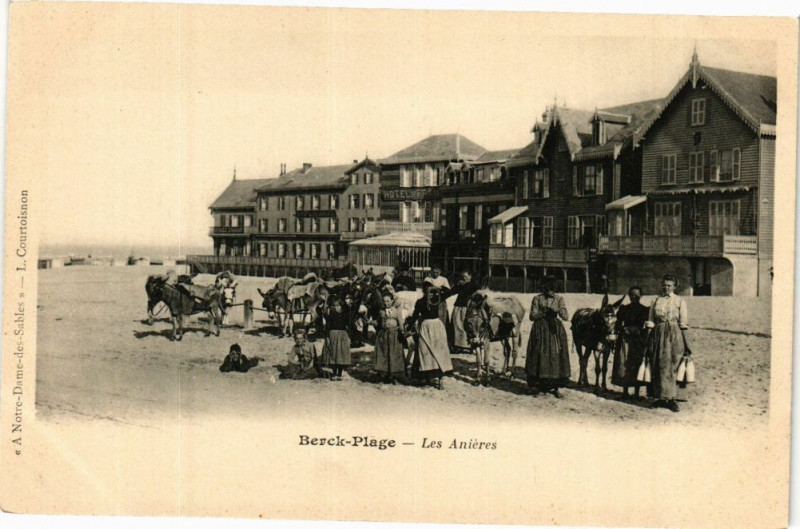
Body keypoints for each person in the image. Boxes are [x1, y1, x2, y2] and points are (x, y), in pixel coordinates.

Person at [645, 274, 690, 412]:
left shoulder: (679, 301)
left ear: (674, 287)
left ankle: (671, 399)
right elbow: (651, 320)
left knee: (673, 363)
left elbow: (683, 322)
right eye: (664, 285)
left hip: (674, 334)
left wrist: (686, 343)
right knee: (657, 363)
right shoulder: (656, 300)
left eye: (669, 285)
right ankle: (659, 397)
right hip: (658, 333)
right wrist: (649, 337)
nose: (666, 287)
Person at [525, 276, 570, 398]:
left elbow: (566, 316)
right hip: (540, 330)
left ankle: (555, 387)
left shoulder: (559, 299)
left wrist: (558, 310)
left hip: (554, 330)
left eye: (552, 289)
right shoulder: (537, 298)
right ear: (544, 288)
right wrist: (542, 312)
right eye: (548, 289)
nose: (550, 291)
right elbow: (532, 316)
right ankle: (539, 387)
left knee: (556, 356)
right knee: (539, 355)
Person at [406, 279, 453, 389]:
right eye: (427, 290)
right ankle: (426, 377)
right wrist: (408, 328)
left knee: (439, 352)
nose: (429, 293)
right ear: (423, 291)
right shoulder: (420, 302)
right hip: (425, 327)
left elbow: (449, 292)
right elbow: (415, 316)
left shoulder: (437, 299)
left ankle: (440, 378)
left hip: (436, 327)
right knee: (425, 352)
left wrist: (441, 288)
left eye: (431, 290)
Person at [612, 286, 650, 399]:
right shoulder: (624, 309)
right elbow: (617, 323)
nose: (634, 297)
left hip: (638, 341)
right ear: (629, 296)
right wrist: (621, 329)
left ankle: (637, 393)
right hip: (625, 341)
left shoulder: (644, 310)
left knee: (637, 364)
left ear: (641, 296)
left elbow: (645, 326)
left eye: (637, 295)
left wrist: (635, 330)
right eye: (632, 295)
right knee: (624, 364)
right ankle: (625, 392)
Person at [373, 290, 406, 384]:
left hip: (394, 335)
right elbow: (378, 323)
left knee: (393, 354)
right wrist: (372, 322)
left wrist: (402, 332)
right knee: (384, 354)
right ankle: (385, 374)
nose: (386, 303)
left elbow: (401, 323)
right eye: (384, 301)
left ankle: (394, 375)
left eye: (388, 301)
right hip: (384, 335)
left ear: (392, 301)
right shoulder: (381, 312)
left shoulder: (396, 311)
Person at [446, 269, 480, 354]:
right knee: (456, 325)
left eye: (465, 276)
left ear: (470, 276)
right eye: (463, 277)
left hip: (467, 308)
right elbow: (451, 292)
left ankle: (467, 346)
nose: (464, 278)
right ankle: (458, 346)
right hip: (458, 306)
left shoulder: (474, 286)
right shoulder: (460, 284)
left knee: (465, 326)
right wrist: (457, 285)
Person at [322, 296, 352, 381]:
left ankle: (339, 373)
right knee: (334, 355)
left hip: (343, 336)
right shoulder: (330, 316)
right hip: (333, 336)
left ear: (342, 306)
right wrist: (327, 337)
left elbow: (349, 327)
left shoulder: (345, 315)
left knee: (341, 355)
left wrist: (349, 337)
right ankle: (334, 373)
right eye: (334, 306)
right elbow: (327, 327)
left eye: (338, 305)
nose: (336, 308)